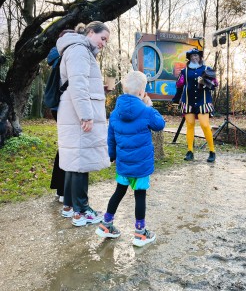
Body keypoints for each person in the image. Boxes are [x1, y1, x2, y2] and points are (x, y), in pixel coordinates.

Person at [95, 71, 165, 247]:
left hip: (123, 164)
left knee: (119, 191)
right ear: (142, 92)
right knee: (139, 195)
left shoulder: (115, 113)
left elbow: (110, 137)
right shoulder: (145, 111)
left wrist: (112, 156)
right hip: (140, 166)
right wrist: (150, 107)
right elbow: (160, 124)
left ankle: (106, 224)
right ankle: (140, 233)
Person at [56, 21, 111, 227]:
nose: (104, 43)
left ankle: (69, 206)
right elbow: (78, 85)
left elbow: (81, 83)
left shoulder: (77, 50)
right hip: (78, 114)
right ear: (90, 32)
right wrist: (86, 116)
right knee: (80, 162)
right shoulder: (79, 50)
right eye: (102, 38)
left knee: (74, 161)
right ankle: (82, 211)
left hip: (73, 111)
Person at [172, 48, 218, 163]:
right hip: (188, 101)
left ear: (200, 57)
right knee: (190, 125)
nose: (194, 58)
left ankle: (212, 151)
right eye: (192, 56)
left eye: (196, 56)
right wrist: (176, 99)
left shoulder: (207, 69)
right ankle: (190, 151)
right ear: (189, 58)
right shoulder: (184, 71)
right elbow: (179, 85)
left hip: (203, 101)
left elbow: (215, 84)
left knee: (205, 125)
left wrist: (205, 82)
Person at [47, 46, 65, 203]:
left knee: (64, 147)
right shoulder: (65, 57)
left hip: (56, 106)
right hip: (63, 107)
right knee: (68, 148)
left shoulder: (56, 57)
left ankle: (60, 189)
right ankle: (62, 190)